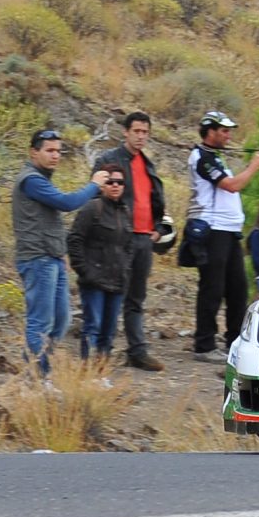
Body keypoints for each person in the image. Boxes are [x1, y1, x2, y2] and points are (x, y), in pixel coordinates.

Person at [12, 129, 110, 376]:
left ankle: (36, 370)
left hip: (52, 258)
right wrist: (95, 185)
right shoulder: (31, 180)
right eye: (50, 150)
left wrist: (61, 253)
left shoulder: (42, 179)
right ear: (34, 152)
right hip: (38, 259)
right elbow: (67, 203)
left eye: (58, 151)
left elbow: (47, 221)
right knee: (41, 322)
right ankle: (38, 377)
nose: (56, 155)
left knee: (61, 321)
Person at [188, 110, 259, 363]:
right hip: (212, 230)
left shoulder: (216, 157)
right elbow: (232, 185)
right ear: (210, 131)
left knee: (238, 288)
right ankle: (204, 345)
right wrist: (255, 165)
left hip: (229, 231)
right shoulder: (202, 157)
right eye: (224, 131)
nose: (228, 135)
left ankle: (234, 341)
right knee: (212, 288)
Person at [94, 111, 166, 371]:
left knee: (136, 297)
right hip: (118, 239)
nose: (141, 136)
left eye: (145, 132)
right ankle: (101, 352)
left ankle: (137, 351)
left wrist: (158, 228)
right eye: (136, 131)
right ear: (125, 132)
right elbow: (97, 196)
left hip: (144, 238)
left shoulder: (147, 164)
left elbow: (155, 200)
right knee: (111, 293)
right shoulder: (109, 160)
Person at [67, 163, 134, 361]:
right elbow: (74, 239)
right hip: (94, 281)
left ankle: (102, 370)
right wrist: (85, 271)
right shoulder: (91, 208)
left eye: (119, 182)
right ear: (102, 184)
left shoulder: (126, 212)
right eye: (110, 181)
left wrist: (126, 268)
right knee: (92, 326)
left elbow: (129, 245)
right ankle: (88, 371)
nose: (115, 185)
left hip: (117, 281)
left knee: (109, 331)